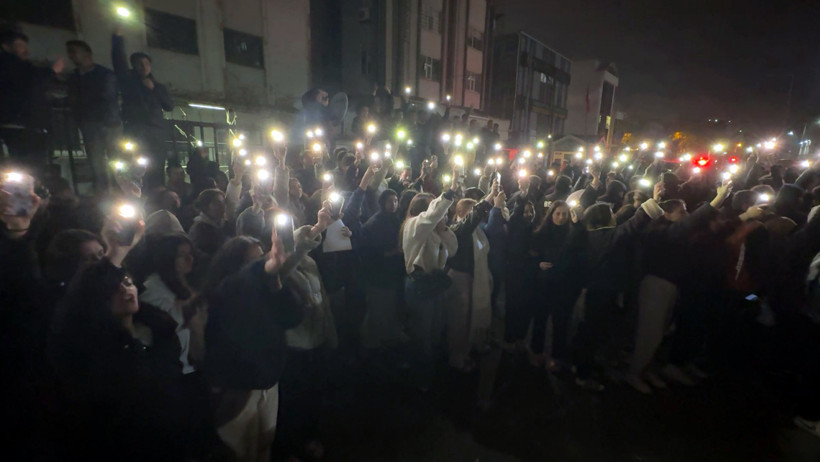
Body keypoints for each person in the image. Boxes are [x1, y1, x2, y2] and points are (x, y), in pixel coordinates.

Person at [204, 230, 304, 462]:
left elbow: (293, 317)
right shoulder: (226, 290)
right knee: (238, 452)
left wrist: (276, 283)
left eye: (262, 257)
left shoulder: (266, 291)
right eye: (252, 261)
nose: (261, 263)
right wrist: (264, 268)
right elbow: (241, 283)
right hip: (238, 387)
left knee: (263, 446)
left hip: (267, 382)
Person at [624, 182, 732, 394]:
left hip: (669, 285)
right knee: (649, 334)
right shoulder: (661, 232)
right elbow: (690, 224)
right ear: (667, 214)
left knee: (660, 331)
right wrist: (718, 199)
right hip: (657, 286)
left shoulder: (669, 231)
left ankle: (647, 369)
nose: (686, 215)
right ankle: (634, 373)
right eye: (681, 212)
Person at [570, 185, 664, 391]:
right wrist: (655, 200)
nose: (614, 216)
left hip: (591, 292)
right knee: (592, 335)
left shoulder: (589, 236)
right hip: (600, 294)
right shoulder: (606, 237)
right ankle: (583, 375)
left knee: (585, 333)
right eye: (611, 214)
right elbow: (633, 224)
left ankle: (579, 366)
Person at [401, 169, 459, 389]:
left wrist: (444, 230)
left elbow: (453, 249)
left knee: (435, 330)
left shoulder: (434, 230)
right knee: (422, 334)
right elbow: (431, 215)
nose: (438, 212)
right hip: (419, 284)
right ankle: (421, 379)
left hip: (434, 283)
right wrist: (449, 191)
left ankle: (433, 372)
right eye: (432, 206)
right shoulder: (413, 226)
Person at [444, 188, 501, 371]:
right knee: (459, 321)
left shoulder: (476, 231)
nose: (477, 216)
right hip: (460, 279)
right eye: (472, 211)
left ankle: (469, 348)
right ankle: (457, 357)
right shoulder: (457, 229)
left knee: (471, 317)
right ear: (462, 213)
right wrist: (490, 198)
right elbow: (472, 220)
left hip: (473, 278)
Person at [111, 29, 174, 190]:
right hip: (136, 130)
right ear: (134, 66)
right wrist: (117, 39)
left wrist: (154, 89)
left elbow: (169, 105)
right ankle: (138, 193)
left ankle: (158, 194)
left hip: (156, 133)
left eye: (146, 63)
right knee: (136, 167)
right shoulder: (129, 82)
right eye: (139, 64)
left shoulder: (158, 86)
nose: (143, 67)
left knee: (157, 167)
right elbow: (119, 64)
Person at [0, 29, 64, 175]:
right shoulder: (10, 65)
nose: (25, 50)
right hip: (21, 126)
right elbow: (30, 80)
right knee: (29, 169)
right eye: (20, 45)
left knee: (28, 168)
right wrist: (51, 71)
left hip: (24, 125)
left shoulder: (18, 67)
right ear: (6, 46)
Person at [65, 40, 120, 193]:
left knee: (115, 160)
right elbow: (73, 100)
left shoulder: (104, 74)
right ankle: (103, 192)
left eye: (74, 51)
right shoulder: (74, 77)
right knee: (96, 162)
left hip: (108, 123)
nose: (71, 55)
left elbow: (108, 97)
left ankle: (119, 190)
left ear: (87, 54)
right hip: (89, 123)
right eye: (69, 52)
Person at [530, 200, 573, 369]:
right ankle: (536, 351)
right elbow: (530, 256)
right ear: (551, 215)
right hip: (544, 284)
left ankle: (556, 355)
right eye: (558, 214)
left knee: (560, 322)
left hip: (563, 285)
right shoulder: (541, 234)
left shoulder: (572, 235)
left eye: (564, 214)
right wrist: (537, 264)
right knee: (540, 319)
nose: (561, 217)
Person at [188, 189, 232, 256]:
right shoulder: (199, 230)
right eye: (217, 203)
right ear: (205, 206)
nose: (223, 207)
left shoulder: (226, 224)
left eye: (223, 203)